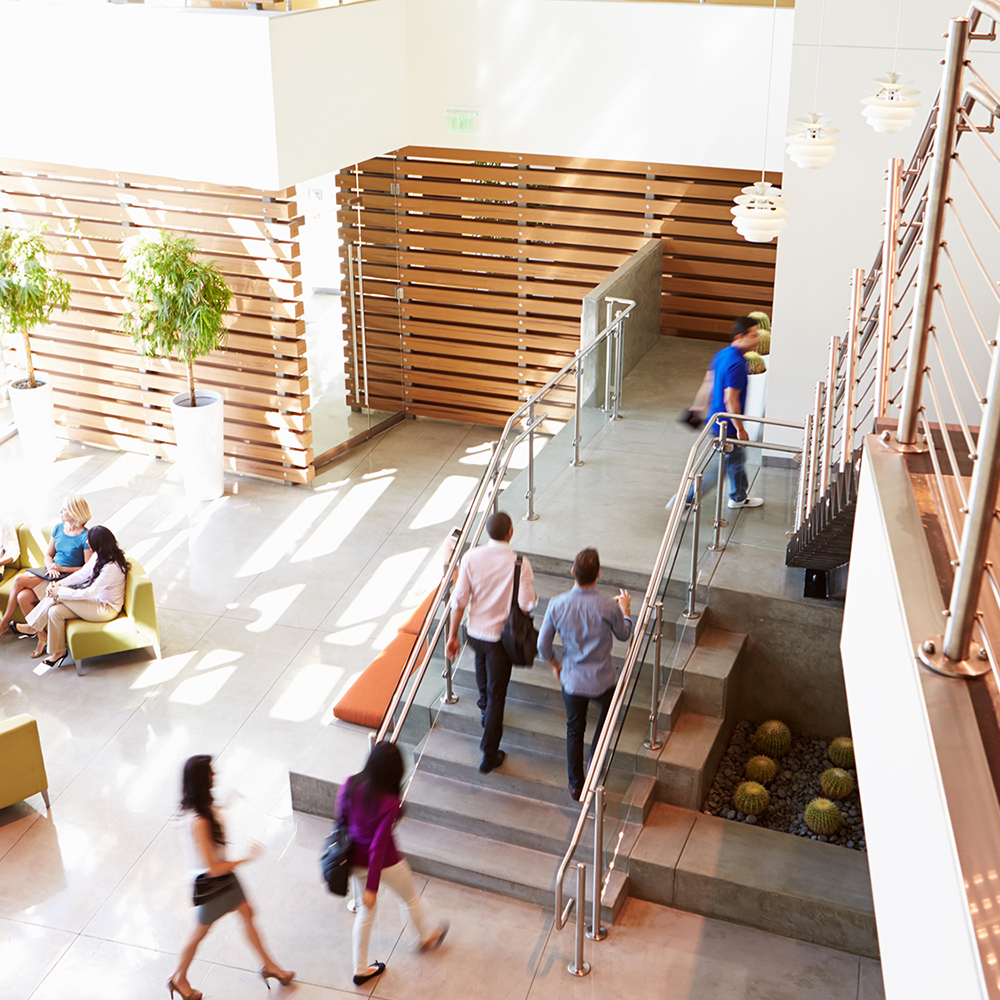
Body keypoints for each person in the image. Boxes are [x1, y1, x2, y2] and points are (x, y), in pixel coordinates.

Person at [169, 755, 294, 1000]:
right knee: (199, 932)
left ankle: (271, 966)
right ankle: (178, 978)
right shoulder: (199, 821)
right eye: (209, 772)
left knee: (247, 913)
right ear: (201, 779)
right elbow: (213, 867)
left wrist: (225, 803)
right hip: (212, 883)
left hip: (223, 879)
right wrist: (246, 858)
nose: (214, 774)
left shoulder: (196, 807)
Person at [337, 742, 448, 986]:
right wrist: (372, 888)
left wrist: (366, 888)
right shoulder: (390, 803)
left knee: (365, 913)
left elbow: (341, 820)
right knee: (408, 898)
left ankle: (361, 968)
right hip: (384, 863)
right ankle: (424, 939)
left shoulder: (350, 784)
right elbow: (378, 846)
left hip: (353, 860)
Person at [538, 548, 633, 801]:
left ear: (572, 572)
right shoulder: (606, 607)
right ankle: (595, 759)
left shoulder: (557, 604)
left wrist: (554, 665)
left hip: (572, 681)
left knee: (574, 730)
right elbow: (624, 635)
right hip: (602, 680)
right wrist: (626, 610)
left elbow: (542, 645)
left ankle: (576, 785)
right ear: (599, 574)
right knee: (608, 713)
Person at [446, 511, 536, 773]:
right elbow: (526, 605)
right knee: (498, 694)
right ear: (510, 532)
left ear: (488, 532)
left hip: (475, 633)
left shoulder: (471, 557)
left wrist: (453, 635)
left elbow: (459, 600)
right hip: (500, 639)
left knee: (481, 665)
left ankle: (484, 708)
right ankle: (489, 752)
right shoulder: (520, 563)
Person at [679, 316, 763, 511]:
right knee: (722, 467)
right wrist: (740, 429)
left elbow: (707, 382)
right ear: (740, 336)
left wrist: (697, 408)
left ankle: (739, 496)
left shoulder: (722, 354)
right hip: (727, 427)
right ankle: (686, 502)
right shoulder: (738, 365)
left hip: (715, 421)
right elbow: (730, 399)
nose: (757, 339)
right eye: (754, 335)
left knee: (736, 460)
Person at [12, 524, 125, 667]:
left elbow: (89, 592)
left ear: (98, 543)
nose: (88, 543)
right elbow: (82, 574)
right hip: (95, 601)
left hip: (105, 609)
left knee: (56, 597)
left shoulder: (111, 567)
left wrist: (58, 592)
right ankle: (58, 651)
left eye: (90, 541)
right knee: (55, 611)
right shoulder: (99, 555)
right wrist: (59, 584)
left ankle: (32, 627)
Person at [0, 495, 92, 645]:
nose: (60, 511)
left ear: (75, 512)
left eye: (64, 509)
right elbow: (48, 555)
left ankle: (3, 624)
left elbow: (86, 569)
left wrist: (61, 568)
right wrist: (50, 566)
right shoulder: (58, 528)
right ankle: (42, 637)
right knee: (23, 596)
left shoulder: (85, 537)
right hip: (51, 573)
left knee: (18, 579)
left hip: (67, 578)